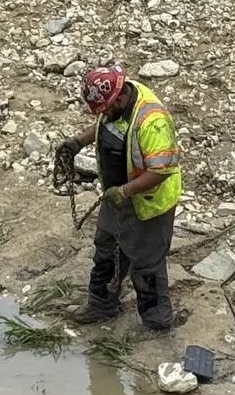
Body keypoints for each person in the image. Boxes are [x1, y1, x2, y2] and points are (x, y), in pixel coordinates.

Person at [56, 64, 182, 331]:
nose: (102, 115)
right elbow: (104, 123)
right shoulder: (116, 100)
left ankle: (156, 324)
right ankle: (101, 306)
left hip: (149, 205)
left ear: (119, 99)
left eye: (105, 109)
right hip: (117, 196)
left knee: (146, 266)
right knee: (106, 250)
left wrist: (125, 192)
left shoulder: (153, 122)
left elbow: (161, 171)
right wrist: (78, 142)